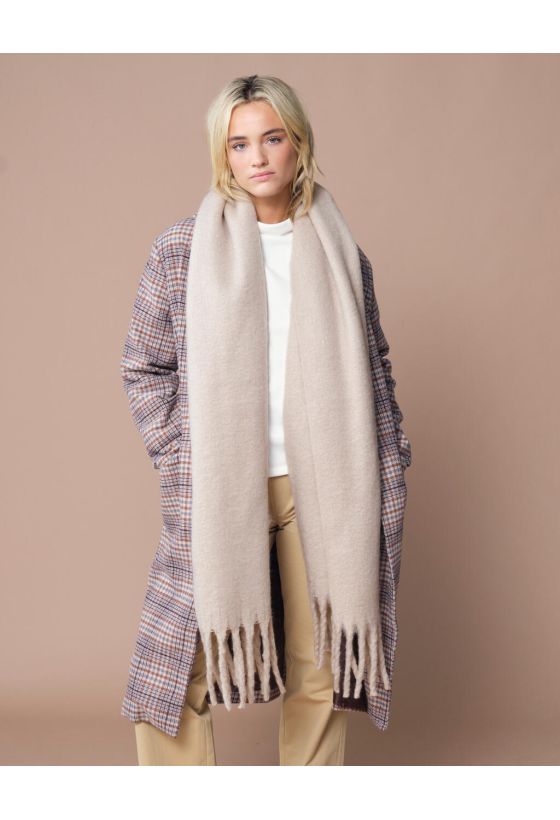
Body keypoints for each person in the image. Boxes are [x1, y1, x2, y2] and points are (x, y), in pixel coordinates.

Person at [121, 74, 412, 766]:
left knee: (323, 666)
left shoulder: (342, 254)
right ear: (222, 154)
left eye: (272, 138)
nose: (257, 157)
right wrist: (181, 453)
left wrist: (391, 449)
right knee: (179, 663)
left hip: (326, 490)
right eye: (239, 143)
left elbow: (375, 364)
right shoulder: (183, 250)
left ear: (298, 143)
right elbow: (143, 366)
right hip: (223, 487)